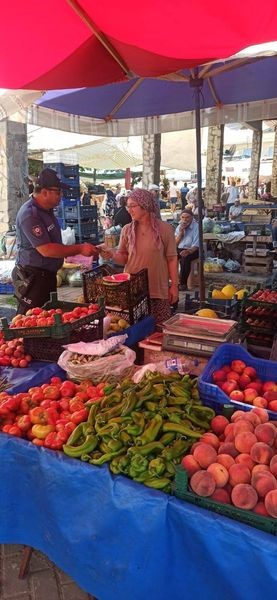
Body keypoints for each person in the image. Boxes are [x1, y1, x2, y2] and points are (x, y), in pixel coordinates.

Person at [12, 168, 98, 314]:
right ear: (45, 192)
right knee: (29, 322)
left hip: (47, 276)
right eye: (58, 192)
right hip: (34, 278)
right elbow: (46, 249)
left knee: (47, 319)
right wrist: (79, 249)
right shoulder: (30, 214)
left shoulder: (47, 210)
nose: (61, 196)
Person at [99, 188, 179, 325]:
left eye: (132, 206)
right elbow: (124, 258)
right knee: (132, 332)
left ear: (145, 205)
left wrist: (174, 286)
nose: (129, 210)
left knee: (158, 332)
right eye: (127, 206)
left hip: (157, 290)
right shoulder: (127, 230)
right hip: (132, 290)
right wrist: (111, 254)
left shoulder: (165, 229)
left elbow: (172, 259)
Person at [175, 209, 199, 291]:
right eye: (183, 217)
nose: (185, 220)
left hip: (194, 250)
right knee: (169, 255)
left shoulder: (196, 227)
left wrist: (188, 251)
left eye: (187, 218)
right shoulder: (179, 226)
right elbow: (175, 244)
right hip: (180, 248)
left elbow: (196, 245)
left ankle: (183, 284)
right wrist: (181, 234)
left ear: (192, 217)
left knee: (185, 258)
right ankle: (172, 281)